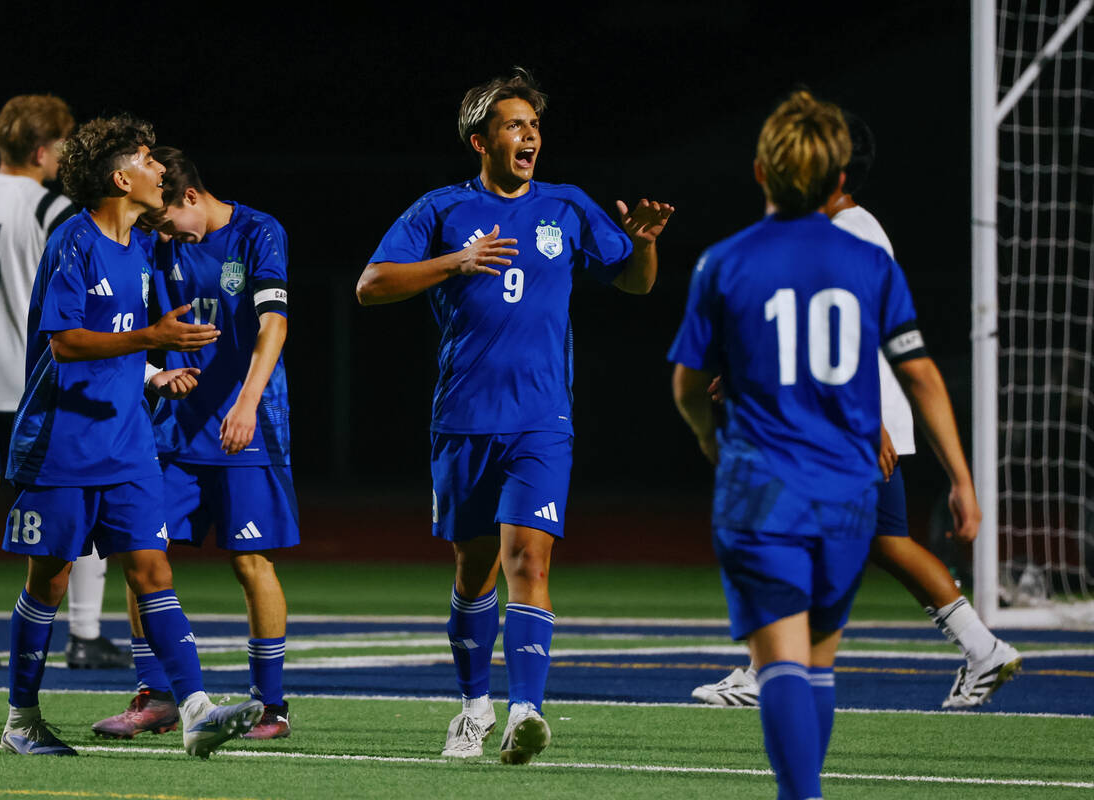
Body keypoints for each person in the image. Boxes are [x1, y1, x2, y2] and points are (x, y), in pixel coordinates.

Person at [356, 68, 673, 764]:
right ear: (480, 140)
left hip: (541, 420)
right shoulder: (440, 210)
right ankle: (473, 707)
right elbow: (371, 285)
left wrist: (643, 243)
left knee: (528, 560)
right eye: (513, 124)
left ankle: (524, 712)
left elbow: (634, 281)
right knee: (474, 572)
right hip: (464, 417)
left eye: (533, 124)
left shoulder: (566, 206)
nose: (529, 135)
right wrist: (456, 262)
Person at [669, 90, 980, 799]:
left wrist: (708, 440)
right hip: (846, 489)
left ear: (759, 172)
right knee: (816, 664)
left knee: (778, 661)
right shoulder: (869, 263)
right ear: (839, 179)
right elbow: (920, 373)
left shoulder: (724, 261)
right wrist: (959, 477)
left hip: (762, 486)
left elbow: (689, 384)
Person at [0, 114, 262, 758]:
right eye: (147, 158)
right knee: (50, 582)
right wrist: (151, 340)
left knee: (153, 568)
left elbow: (117, 335)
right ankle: (21, 721)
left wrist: (150, 372)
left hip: (127, 443)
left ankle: (196, 708)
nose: (160, 169)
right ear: (121, 177)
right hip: (62, 443)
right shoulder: (74, 241)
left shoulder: (141, 245)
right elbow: (63, 343)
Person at [91, 147, 297, 741]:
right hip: (174, 430)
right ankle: (156, 695)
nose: (158, 233)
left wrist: (248, 401)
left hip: (245, 427)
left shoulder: (259, 233)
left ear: (189, 197)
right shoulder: (160, 242)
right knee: (140, 551)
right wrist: (158, 371)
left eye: (162, 218)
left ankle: (271, 707)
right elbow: (128, 325)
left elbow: (274, 325)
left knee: (249, 560)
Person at [0, 95, 129, 671]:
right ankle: (83, 634)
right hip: (38, 385)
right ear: (43, 150)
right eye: (62, 145)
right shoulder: (53, 210)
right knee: (80, 503)